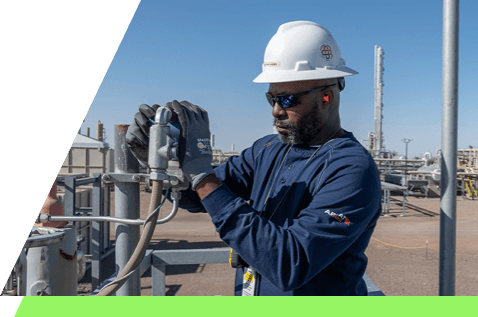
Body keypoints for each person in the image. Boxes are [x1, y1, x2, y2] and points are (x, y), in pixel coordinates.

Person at [126, 21, 382, 296]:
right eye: (270, 98)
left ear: (327, 96)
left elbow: (290, 263)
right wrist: (165, 165)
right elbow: (202, 197)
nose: (275, 111)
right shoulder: (268, 148)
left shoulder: (352, 169)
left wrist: (201, 173)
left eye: (287, 100)